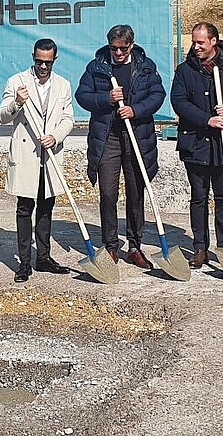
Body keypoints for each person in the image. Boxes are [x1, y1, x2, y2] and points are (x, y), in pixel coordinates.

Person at [75, 24, 166, 269]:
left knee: (136, 193)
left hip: (137, 136)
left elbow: (158, 96)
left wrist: (135, 110)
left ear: (131, 45)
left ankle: (135, 246)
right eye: (114, 48)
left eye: (122, 49)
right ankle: (111, 246)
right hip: (108, 138)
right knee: (107, 193)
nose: (118, 53)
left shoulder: (145, 67)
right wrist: (106, 99)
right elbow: (82, 96)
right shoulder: (97, 67)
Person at [170, 22, 223, 269]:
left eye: (201, 42)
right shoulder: (185, 70)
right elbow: (179, 102)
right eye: (193, 42)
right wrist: (206, 119)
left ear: (214, 41)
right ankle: (200, 248)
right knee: (199, 197)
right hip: (196, 144)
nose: (196, 47)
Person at [0, 38, 74, 283]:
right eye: (39, 61)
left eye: (47, 62)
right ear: (33, 57)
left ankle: (44, 256)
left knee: (46, 207)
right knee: (24, 208)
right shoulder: (16, 81)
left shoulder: (62, 85)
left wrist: (56, 136)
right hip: (26, 154)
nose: (43, 66)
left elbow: (68, 119)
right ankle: (24, 262)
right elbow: (1, 116)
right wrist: (16, 103)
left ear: (54, 59)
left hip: (49, 154)